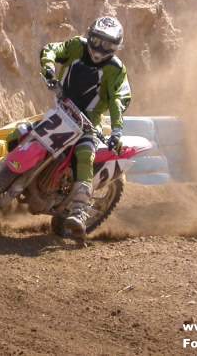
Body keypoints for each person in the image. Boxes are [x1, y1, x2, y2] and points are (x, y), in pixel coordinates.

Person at [40, 16, 132, 236]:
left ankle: (80, 210)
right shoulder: (76, 46)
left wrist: (117, 130)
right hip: (61, 110)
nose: (100, 48)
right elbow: (53, 49)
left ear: (116, 47)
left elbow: (119, 99)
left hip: (88, 122)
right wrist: (49, 68)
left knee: (84, 153)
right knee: (22, 133)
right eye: (97, 40)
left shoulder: (115, 69)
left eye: (108, 44)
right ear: (89, 35)